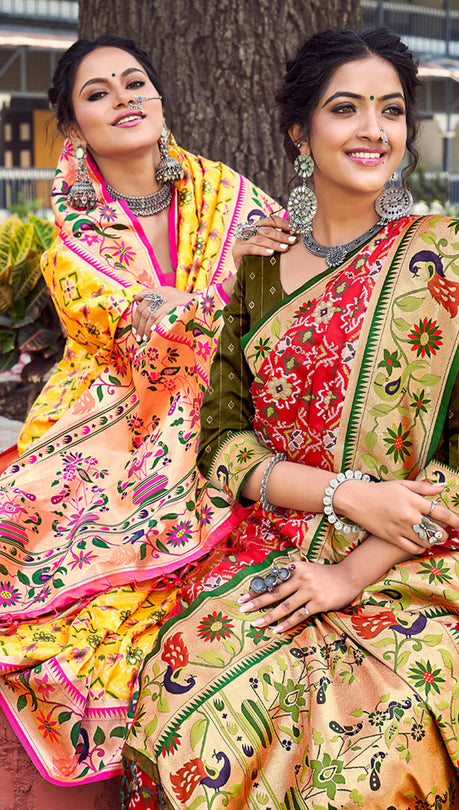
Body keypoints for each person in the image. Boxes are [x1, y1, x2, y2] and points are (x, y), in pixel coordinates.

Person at [122, 28, 459, 810]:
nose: (373, 129)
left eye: (391, 110)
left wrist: (351, 572)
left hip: (418, 553)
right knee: (198, 712)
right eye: (345, 109)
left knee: (371, 754)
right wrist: (344, 495)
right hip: (281, 538)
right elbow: (222, 441)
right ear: (300, 131)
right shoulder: (257, 266)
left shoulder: (442, 260)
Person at [0, 34, 291, 787]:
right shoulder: (73, 236)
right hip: (112, 416)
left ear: (160, 100)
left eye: (136, 83)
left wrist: (254, 273)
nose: (125, 98)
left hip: (224, 402)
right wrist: (235, 275)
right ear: (74, 128)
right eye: (98, 93)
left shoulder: (225, 191)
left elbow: (288, 280)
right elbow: (140, 333)